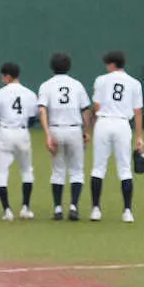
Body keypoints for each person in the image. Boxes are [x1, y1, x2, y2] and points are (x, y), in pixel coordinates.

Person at [90, 51, 144, 223]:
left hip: (104, 122)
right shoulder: (135, 83)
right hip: (122, 124)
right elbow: (137, 112)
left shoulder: (101, 80)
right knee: (125, 168)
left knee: (98, 167)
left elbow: (97, 105)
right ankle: (127, 211)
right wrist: (139, 136)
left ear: (112, 64)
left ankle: (96, 209)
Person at [37, 53, 91, 221]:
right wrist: (86, 131)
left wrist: (47, 134)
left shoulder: (46, 85)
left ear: (51, 67)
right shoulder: (77, 85)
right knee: (77, 171)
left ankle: (58, 208)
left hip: (56, 129)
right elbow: (86, 111)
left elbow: (41, 110)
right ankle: (74, 206)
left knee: (58, 170)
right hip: (74, 129)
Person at [0, 63, 38, 221]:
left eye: (3, 76)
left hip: (5, 131)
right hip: (22, 131)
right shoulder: (30, 94)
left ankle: (7, 210)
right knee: (27, 170)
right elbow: (32, 119)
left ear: (8, 76)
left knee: (1, 172)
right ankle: (25, 207)